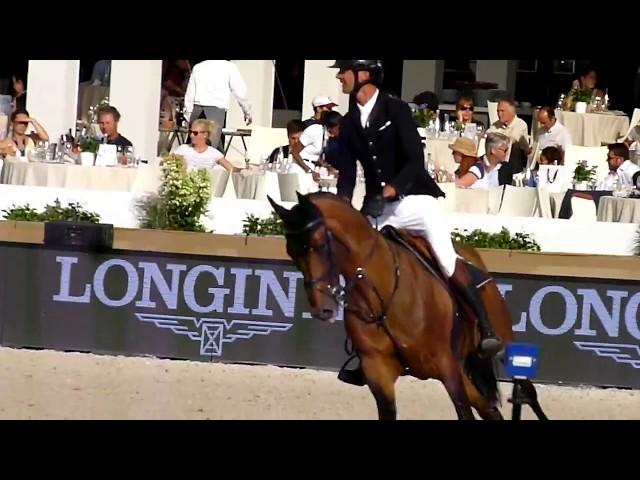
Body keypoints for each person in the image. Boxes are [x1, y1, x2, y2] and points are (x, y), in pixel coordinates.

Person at [329, 59, 502, 386]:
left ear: (363, 74)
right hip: (379, 209)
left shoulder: (396, 110)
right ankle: (362, 348)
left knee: (447, 260)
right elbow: (349, 174)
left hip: (415, 201)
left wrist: (390, 190)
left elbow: (413, 161)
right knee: (358, 267)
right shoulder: (350, 121)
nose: (339, 76)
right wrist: (342, 207)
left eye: (344, 71)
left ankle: (485, 328)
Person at [184, 60, 252, 149]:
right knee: (207, 149)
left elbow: (190, 94)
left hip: (197, 110)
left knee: (196, 147)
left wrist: (188, 115)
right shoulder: (229, 67)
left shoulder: (198, 67)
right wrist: (247, 112)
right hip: (216, 111)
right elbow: (240, 91)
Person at [173, 119, 240, 172]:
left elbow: (232, 169)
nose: (191, 135)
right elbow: (167, 162)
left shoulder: (213, 153)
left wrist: (243, 170)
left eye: (195, 133)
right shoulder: (183, 149)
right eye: (190, 132)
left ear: (205, 134)